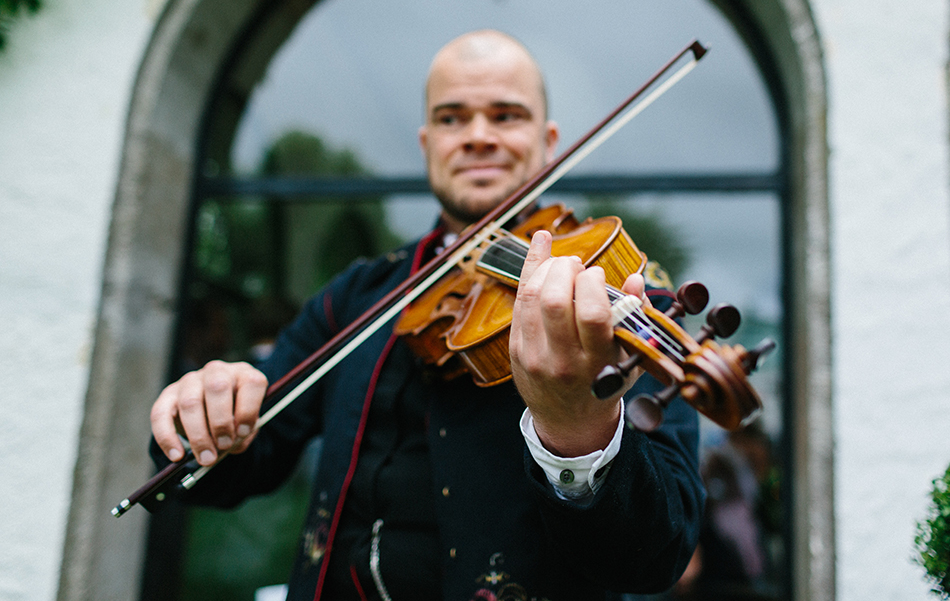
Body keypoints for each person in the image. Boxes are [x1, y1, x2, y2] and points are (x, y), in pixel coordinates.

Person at [150, 29, 703, 600]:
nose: (478, 137)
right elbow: (247, 459)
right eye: (452, 118)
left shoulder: (618, 301)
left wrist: (578, 434)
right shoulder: (360, 293)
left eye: (507, 115)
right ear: (426, 142)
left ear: (550, 141)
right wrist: (202, 414)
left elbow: (656, 557)